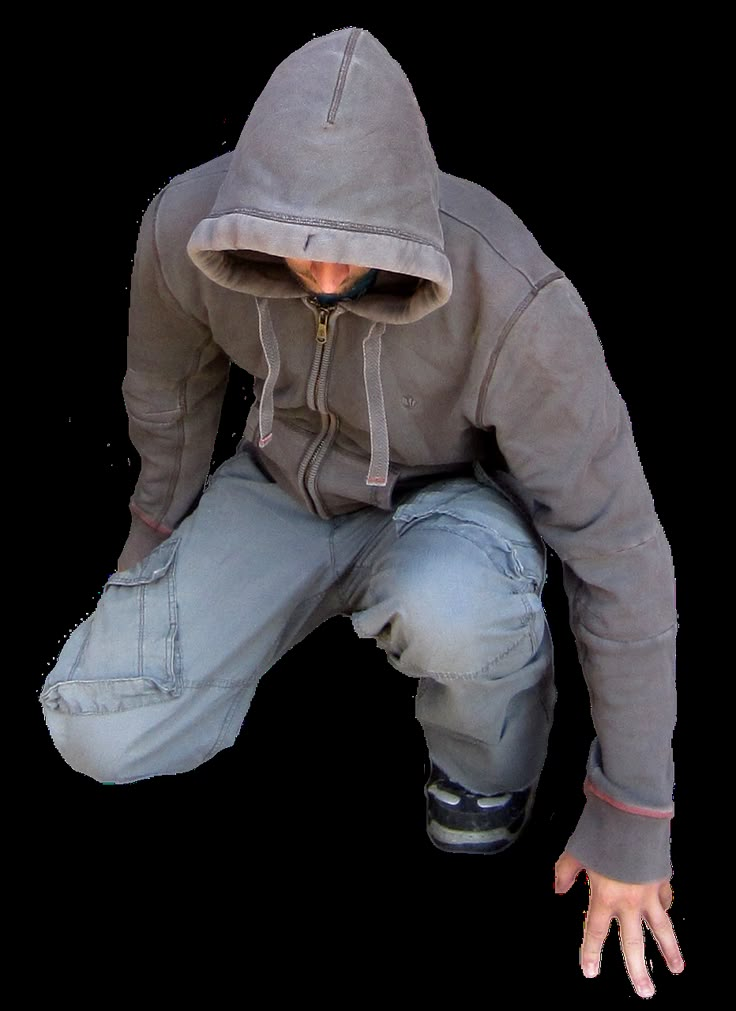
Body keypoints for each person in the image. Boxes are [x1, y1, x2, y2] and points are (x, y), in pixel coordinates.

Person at [39, 27, 684, 996]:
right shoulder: (185, 227)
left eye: (355, 253)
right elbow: (168, 401)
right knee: (96, 731)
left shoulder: (512, 299)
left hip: (451, 504)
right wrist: (149, 557)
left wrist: (631, 812)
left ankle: (486, 752)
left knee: (452, 610)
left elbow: (618, 549)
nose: (328, 277)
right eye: (302, 251)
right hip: (283, 486)